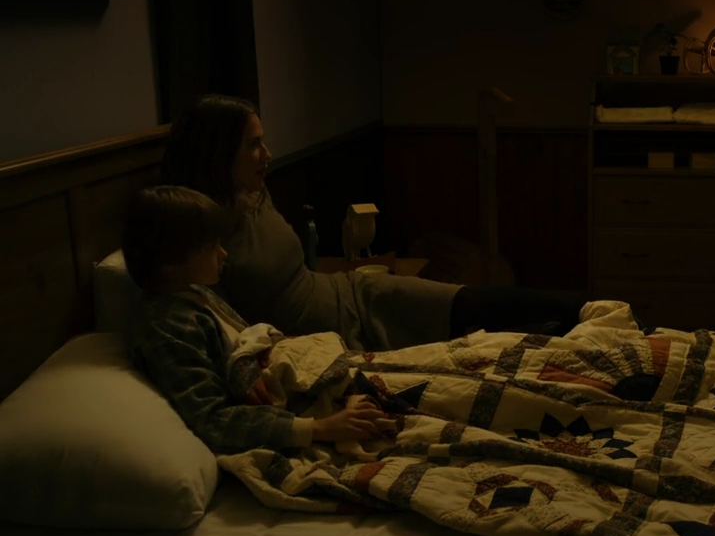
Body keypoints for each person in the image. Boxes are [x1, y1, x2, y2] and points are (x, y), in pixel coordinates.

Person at [159, 94, 583, 353]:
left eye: (263, 141)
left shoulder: (253, 192)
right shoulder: (199, 235)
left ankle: (590, 311)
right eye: (254, 145)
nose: (267, 154)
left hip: (351, 294)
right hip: (321, 333)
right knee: (477, 339)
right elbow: (225, 325)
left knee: (466, 301)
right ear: (218, 154)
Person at [122, 185, 386, 453]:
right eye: (210, 247)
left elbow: (242, 339)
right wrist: (320, 428)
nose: (223, 254)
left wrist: (248, 357)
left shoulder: (193, 292)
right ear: (170, 262)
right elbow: (212, 419)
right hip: (298, 413)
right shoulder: (169, 326)